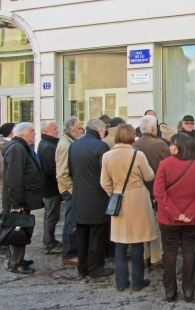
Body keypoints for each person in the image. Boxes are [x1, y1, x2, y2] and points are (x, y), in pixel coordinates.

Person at [154, 133, 195, 302]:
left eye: (173, 144)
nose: (170, 147)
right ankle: (188, 290)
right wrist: (189, 213)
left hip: (168, 218)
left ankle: (170, 291)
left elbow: (159, 192)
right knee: (189, 252)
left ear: (180, 147)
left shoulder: (164, 164)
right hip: (191, 219)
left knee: (169, 254)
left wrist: (174, 213)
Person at [101, 124, 156, 291]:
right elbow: (149, 175)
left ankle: (121, 282)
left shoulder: (107, 156)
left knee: (120, 243)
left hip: (118, 198)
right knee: (137, 242)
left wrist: (115, 192)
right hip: (137, 197)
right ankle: (138, 281)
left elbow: (104, 182)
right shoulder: (137, 155)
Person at [69, 119, 114, 278]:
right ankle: (95, 268)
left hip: (79, 197)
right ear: (100, 131)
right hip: (97, 198)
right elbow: (106, 173)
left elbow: (71, 171)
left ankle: (82, 268)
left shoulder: (74, 145)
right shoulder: (101, 146)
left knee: (81, 236)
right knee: (96, 236)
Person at [2, 122, 42, 274]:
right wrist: (17, 203)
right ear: (23, 134)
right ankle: (16, 262)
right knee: (18, 228)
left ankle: (17, 259)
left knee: (20, 227)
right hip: (19, 199)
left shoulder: (20, 147)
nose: (34, 134)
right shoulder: (17, 148)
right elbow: (15, 177)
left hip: (22, 197)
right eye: (32, 131)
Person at [134, 115, 171, 268]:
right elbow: (170, 165)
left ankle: (145, 255)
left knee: (142, 223)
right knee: (155, 224)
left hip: (139, 190)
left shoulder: (134, 144)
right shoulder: (159, 144)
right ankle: (156, 257)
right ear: (154, 129)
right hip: (156, 189)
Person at [56, 116, 84, 265]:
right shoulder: (65, 145)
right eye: (79, 128)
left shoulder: (70, 143)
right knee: (70, 222)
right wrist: (73, 190)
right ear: (71, 129)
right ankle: (68, 254)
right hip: (69, 190)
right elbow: (62, 173)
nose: (81, 131)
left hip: (71, 189)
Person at [37, 121, 62, 255]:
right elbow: (50, 169)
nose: (57, 130)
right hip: (51, 188)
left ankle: (50, 240)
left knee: (51, 216)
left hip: (51, 187)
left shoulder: (48, 144)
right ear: (46, 131)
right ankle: (49, 243)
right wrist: (60, 182)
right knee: (51, 216)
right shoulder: (47, 146)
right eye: (54, 129)